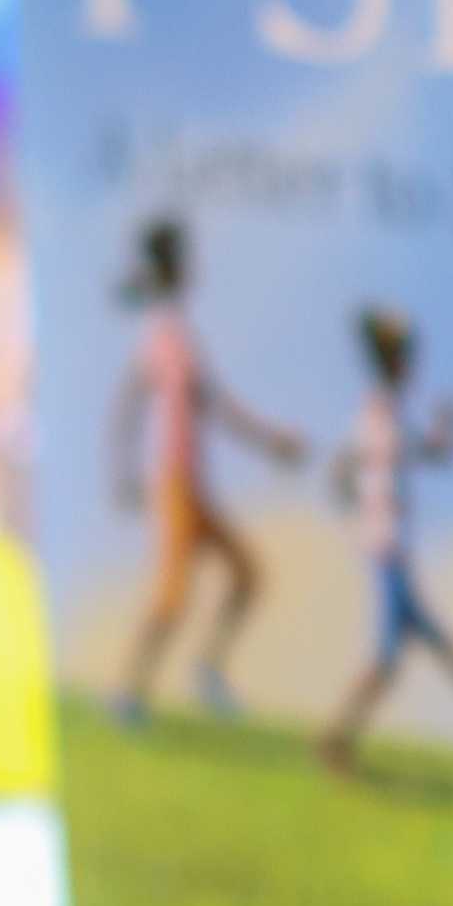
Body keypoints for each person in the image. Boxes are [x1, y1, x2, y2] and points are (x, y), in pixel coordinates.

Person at [314, 306, 453, 774]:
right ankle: (335, 740)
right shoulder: (377, 412)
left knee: (433, 645)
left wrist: (445, 431)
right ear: (391, 362)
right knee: (393, 656)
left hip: (391, 546)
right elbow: (355, 464)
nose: (411, 368)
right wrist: (370, 501)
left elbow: (427, 454)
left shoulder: (387, 412)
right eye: (405, 359)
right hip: (387, 549)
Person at [104, 218, 300, 722]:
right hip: (174, 482)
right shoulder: (162, 338)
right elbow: (129, 402)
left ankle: (206, 669)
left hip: (193, 485)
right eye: (185, 258)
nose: (193, 267)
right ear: (173, 267)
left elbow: (214, 405)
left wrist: (270, 442)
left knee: (247, 574)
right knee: (173, 596)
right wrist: (124, 469)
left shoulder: (180, 337)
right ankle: (128, 691)